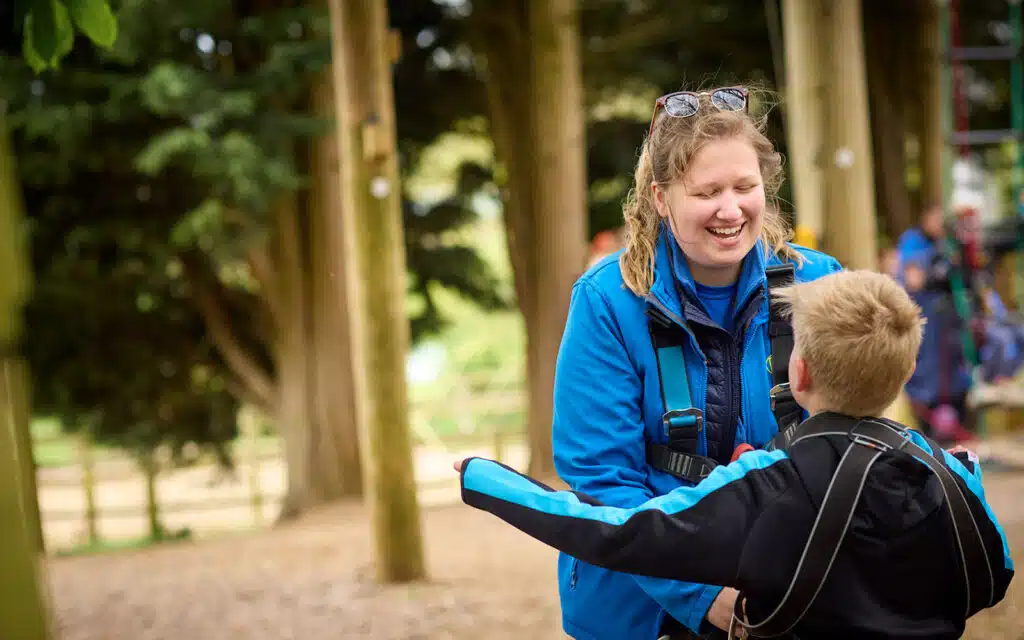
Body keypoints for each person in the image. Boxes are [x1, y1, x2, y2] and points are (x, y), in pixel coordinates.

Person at [455, 270, 1014, 640]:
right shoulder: (945, 468)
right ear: (905, 373)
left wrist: (487, 480)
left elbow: (621, 533)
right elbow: (994, 575)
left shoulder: (769, 484)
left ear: (798, 372)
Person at [541, 85, 842, 640]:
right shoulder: (607, 301)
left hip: (791, 590)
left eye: (745, 187)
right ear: (661, 198)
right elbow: (603, 478)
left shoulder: (819, 284)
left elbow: (850, 437)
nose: (731, 210)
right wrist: (703, 597)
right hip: (642, 606)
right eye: (707, 192)